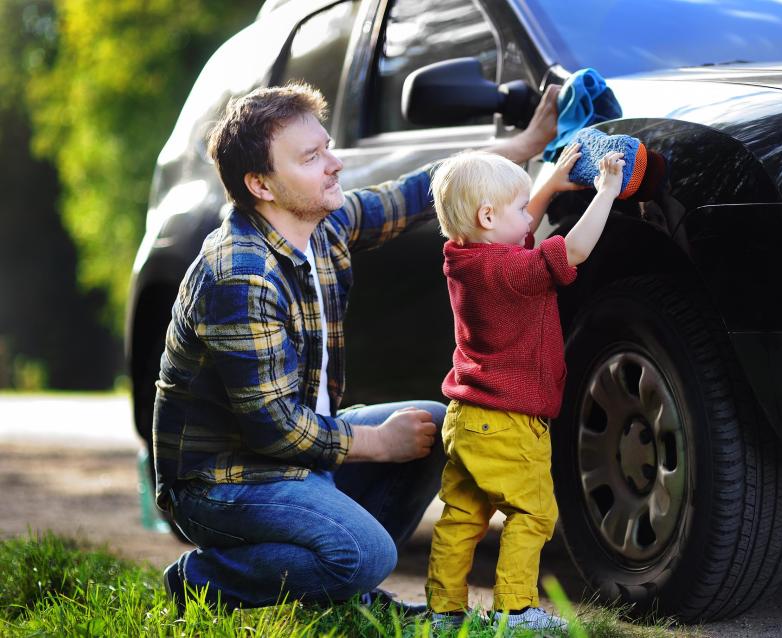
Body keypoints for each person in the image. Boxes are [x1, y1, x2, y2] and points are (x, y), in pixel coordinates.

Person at [153, 80, 560, 613]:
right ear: (262, 184)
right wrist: (376, 445)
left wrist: (524, 148)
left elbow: (421, 190)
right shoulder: (240, 274)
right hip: (222, 482)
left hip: (290, 463)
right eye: (311, 157)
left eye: (327, 147)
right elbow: (273, 427)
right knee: (368, 553)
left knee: (429, 424)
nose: (335, 163)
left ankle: (343, 591)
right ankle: (204, 580)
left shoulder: (321, 226)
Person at [424, 145, 625, 630]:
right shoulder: (512, 273)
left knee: (462, 518)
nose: (528, 219)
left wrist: (550, 184)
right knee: (532, 514)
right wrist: (607, 193)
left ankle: (443, 613)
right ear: (488, 216)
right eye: (519, 208)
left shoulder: (465, 258)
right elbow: (573, 251)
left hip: (467, 418)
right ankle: (515, 611)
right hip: (511, 423)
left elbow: (512, 227)